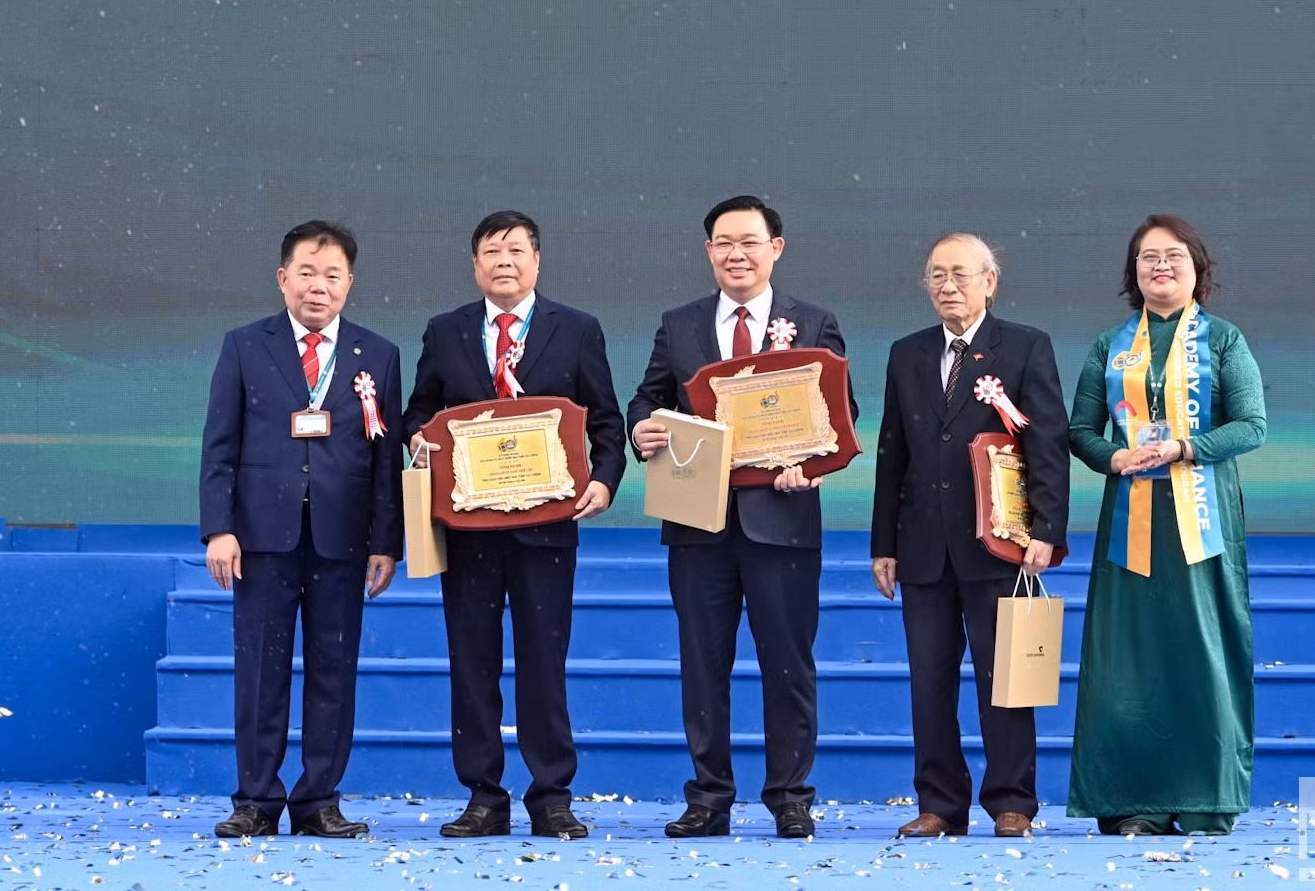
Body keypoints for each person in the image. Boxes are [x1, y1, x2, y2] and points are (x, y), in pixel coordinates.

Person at [627, 195, 853, 840]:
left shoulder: (812, 320)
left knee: (788, 664)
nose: (737, 254)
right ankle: (709, 798)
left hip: (781, 520)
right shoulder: (680, 324)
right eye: (724, 243)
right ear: (708, 252)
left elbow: (841, 413)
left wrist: (810, 464)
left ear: (775, 248)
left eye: (750, 242)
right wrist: (644, 423)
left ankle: (790, 796)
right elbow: (649, 395)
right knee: (703, 665)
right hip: (697, 521)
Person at [403, 210, 626, 840]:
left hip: (548, 531)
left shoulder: (578, 329)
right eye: (491, 251)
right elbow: (420, 412)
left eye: (516, 250)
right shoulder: (445, 331)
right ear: (475, 264)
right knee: (470, 660)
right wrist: (420, 442)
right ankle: (483, 794)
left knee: (542, 662)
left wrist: (604, 481)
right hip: (467, 529)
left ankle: (551, 793)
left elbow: (606, 423)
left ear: (536, 261)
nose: (504, 260)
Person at [199, 220, 404, 839]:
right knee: (260, 671)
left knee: (333, 670)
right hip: (261, 539)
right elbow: (220, 446)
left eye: (332, 275)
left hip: (343, 542)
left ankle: (320, 800)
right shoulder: (244, 345)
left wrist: (385, 543)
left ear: (350, 284)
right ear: (283, 279)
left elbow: (385, 461)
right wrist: (219, 528)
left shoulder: (380, 355)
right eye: (307, 273)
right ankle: (256, 800)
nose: (319, 286)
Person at [1065, 214, 1267, 837]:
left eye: (1173, 256)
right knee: (1129, 658)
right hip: (1130, 526)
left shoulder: (1225, 341)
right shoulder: (1109, 345)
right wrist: (1112, 456)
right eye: (1147, 257)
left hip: (1201, 521)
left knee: (1201, 648)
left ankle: (1206, 795)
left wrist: (1184, 447)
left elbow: (1252, 426)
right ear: (1133, 273)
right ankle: (1134, 799)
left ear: (1197, 268)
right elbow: (1079, 430)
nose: (1160, 266)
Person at [869, 233, 1072, 838]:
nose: (947, 286)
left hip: (1000, 545)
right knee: (928, 680)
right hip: (924, 549)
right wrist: (884, 543)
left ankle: (1012, 801)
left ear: (990, 280)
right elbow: (892, 453)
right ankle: (939, 804)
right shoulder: (907, 353)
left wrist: (1047, 527)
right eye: (936, 275)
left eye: (959, 274)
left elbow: (1048, 444)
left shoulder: (1025, 347)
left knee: (1003, 676)